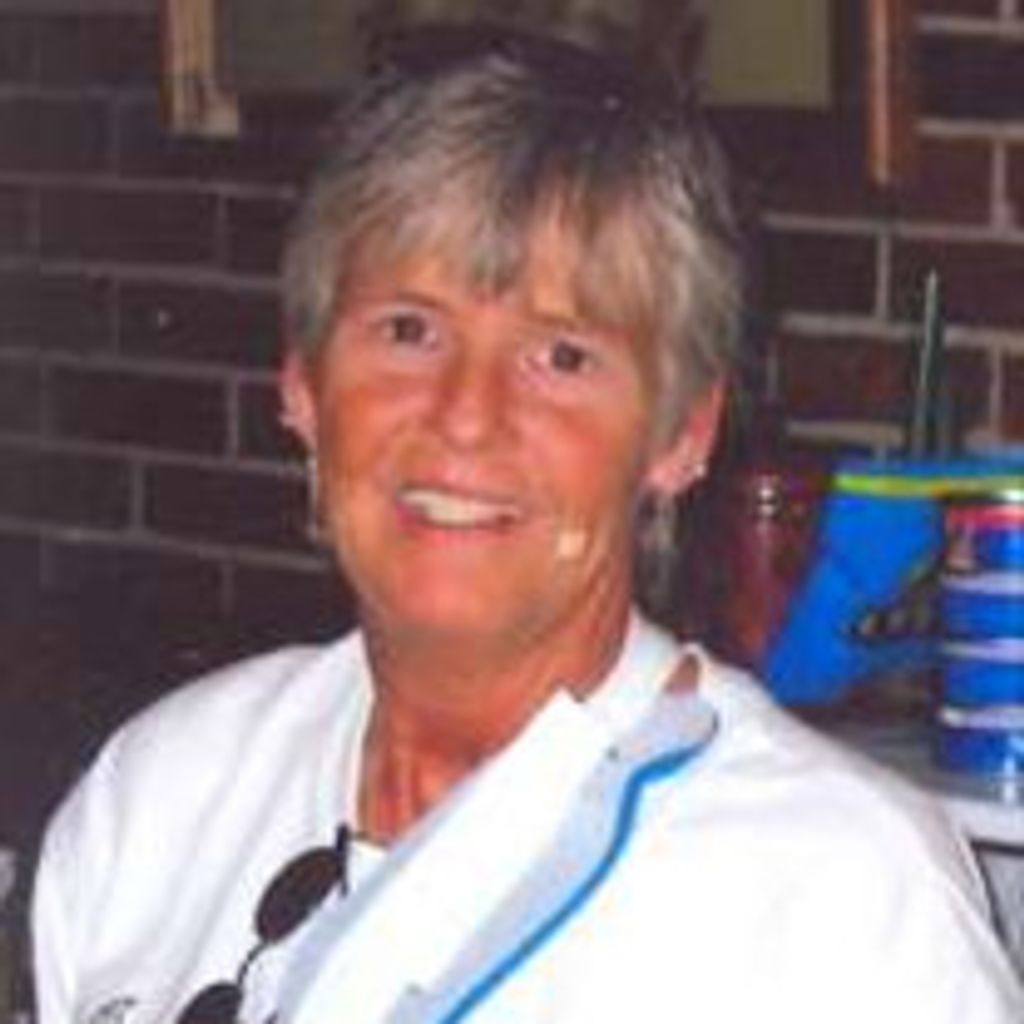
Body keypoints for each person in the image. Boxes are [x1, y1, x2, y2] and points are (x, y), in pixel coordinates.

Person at [31, 26, 1022, 1024]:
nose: (467, 414)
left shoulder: (845, 903)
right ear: (303, 386)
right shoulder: (162, 795)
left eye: (561, 356)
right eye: (409, 330)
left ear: (682, 433)